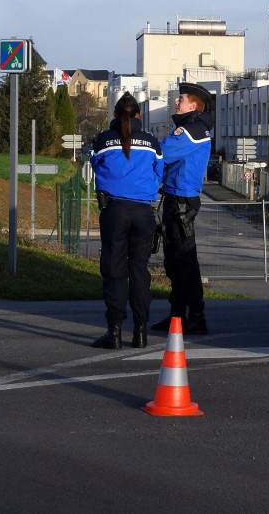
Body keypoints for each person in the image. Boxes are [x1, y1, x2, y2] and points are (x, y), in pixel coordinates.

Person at [89, 92, 164, 349]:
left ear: (115, 115)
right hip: (144, 212)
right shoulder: (152, 142)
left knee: (114, 271)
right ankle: (140, 332)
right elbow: (159, 172)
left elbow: (96, 165)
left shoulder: (103, 140)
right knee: (139, 271)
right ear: (139, 116)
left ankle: (115, 331)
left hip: (115, 211)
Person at [151, 82, 214, 335]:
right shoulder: (190, 129)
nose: (176, 102)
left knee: (185, 262)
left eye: (181, 99)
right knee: (174, 262)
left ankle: (196, 318)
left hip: (181, 203)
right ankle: (177, 315)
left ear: (194, 105)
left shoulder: (190, 132)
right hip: (176, 200)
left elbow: (160, 153)